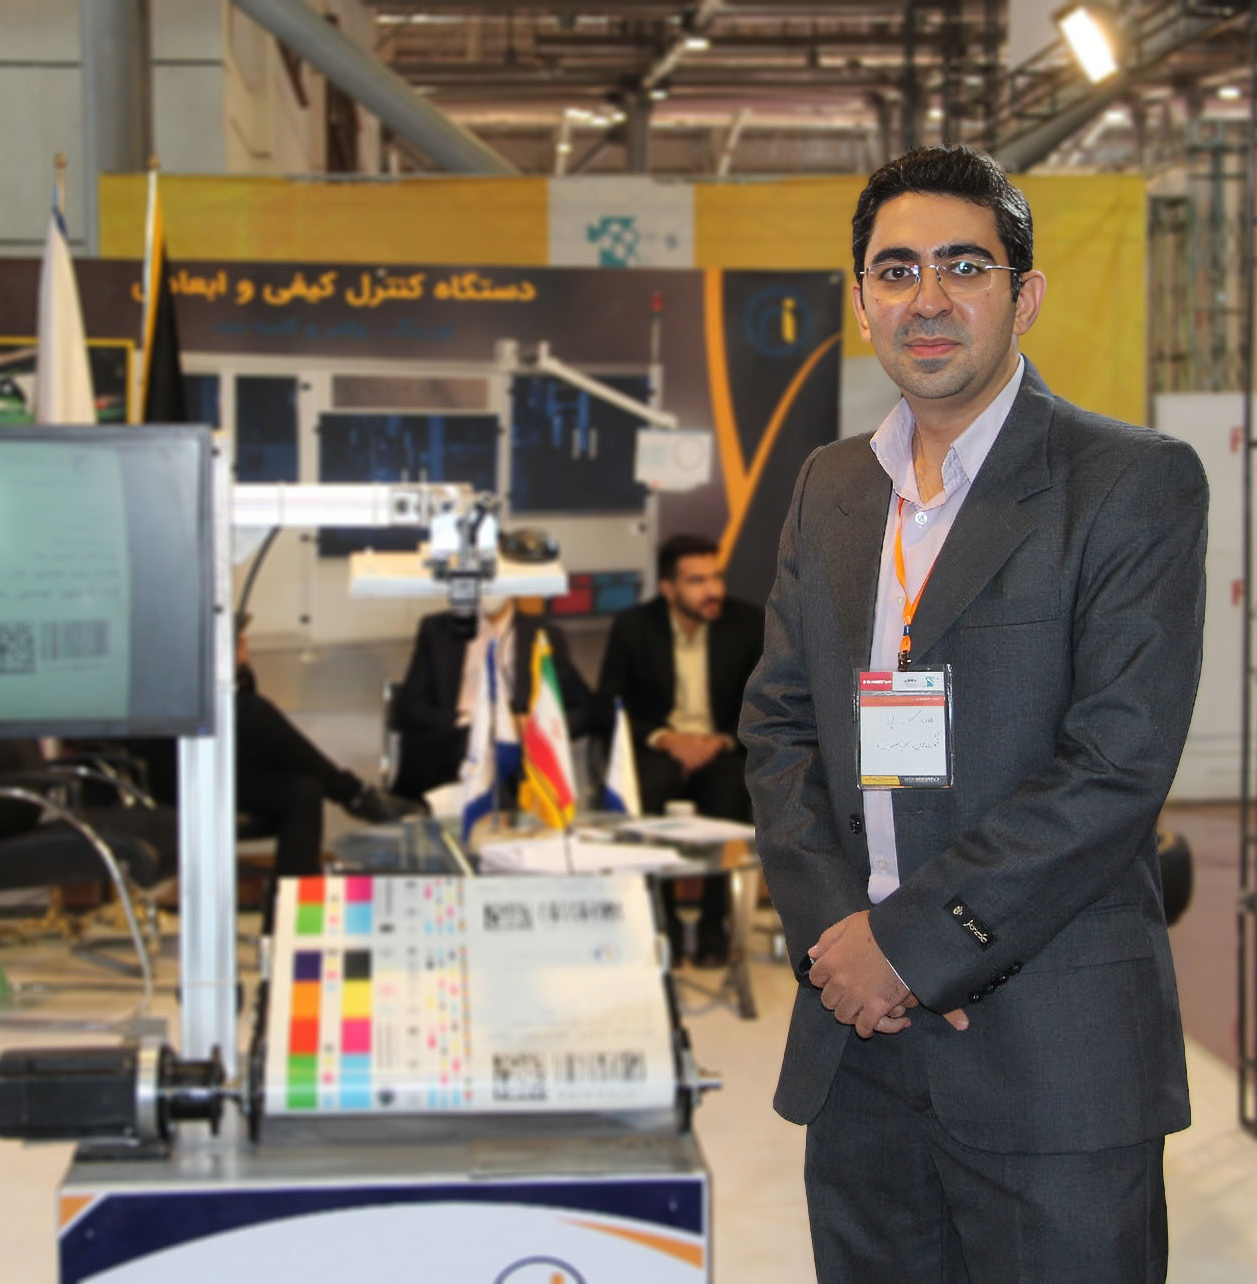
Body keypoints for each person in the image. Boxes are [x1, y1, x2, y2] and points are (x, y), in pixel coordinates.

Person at [739, 145, 1206, 1282]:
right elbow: (780, 726)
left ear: (1023, 294)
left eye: (964, 265)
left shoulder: (1129, 484)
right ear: (862, 304)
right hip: (859, 1045)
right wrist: (843, 946)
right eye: (896, 271)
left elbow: (1116, 764)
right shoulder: (831, 486)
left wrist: (914, 947)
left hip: (1049, 1052)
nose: (928, 298)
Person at [124, 629, 419, 880]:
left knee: (303, 791)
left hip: (202, 758)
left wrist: (237, 667)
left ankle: (289, 913)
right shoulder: (142, 639)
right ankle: (354, 793)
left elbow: (233, 706)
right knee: (253, 712)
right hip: (156, 770)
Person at [597, 535, 764, 967]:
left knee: (731, 790)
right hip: (660, 749)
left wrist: (718, 741)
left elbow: (763, 704)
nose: (713, 590)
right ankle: (662, 921)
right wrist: (667, 739)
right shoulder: (634, 627)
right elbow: (607, 706)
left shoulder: (746, 623)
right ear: (668, 589)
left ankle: (713, 926)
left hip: (721, 747)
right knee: (647, 788)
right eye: (697, 581)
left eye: (716, 578)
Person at [391, 597, 592, 803]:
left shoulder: (543, 634)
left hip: (517, 758)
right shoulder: (438, 630)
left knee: (508, 763)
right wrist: (467, 720)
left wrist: (537, 727)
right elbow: (407, 710)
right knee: (470, 746)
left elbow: (584, 711)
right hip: (452, 748)